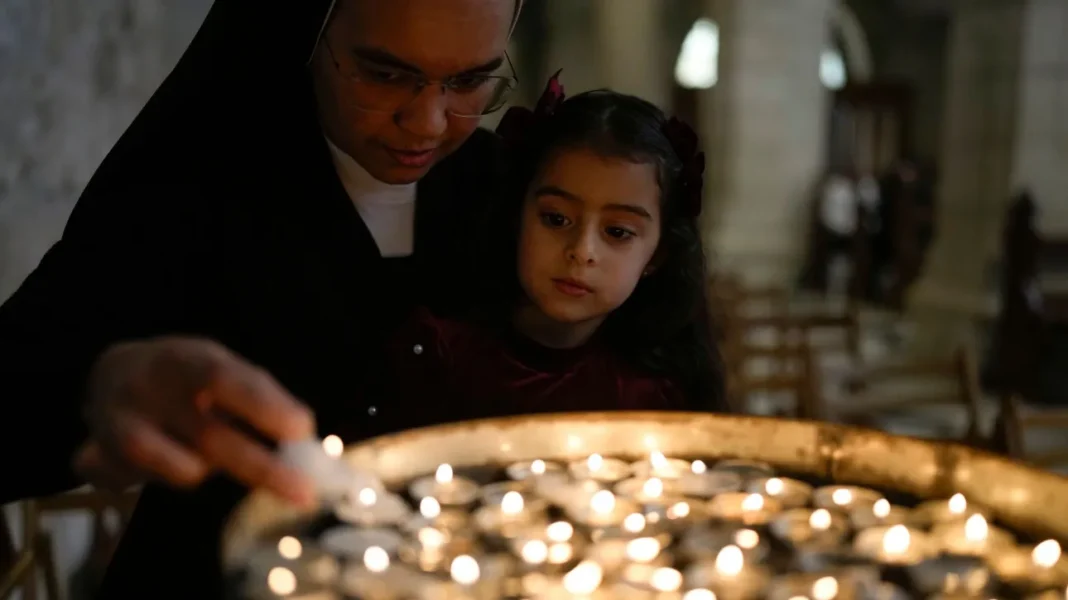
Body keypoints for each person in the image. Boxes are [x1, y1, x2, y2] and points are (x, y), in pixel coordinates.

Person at [0, 0, 524, 595]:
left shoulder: (509, 193)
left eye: (469, 80)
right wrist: (94, 384)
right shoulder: (192, 191)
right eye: (383, 74)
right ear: (307, 34)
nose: (429, 122)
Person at [378, 80, 724, 430]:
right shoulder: (438, 356)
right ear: (518, 216)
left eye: (617, 232)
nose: (581, 251)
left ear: (657, 255)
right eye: (556, 219)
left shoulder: (660, 394)